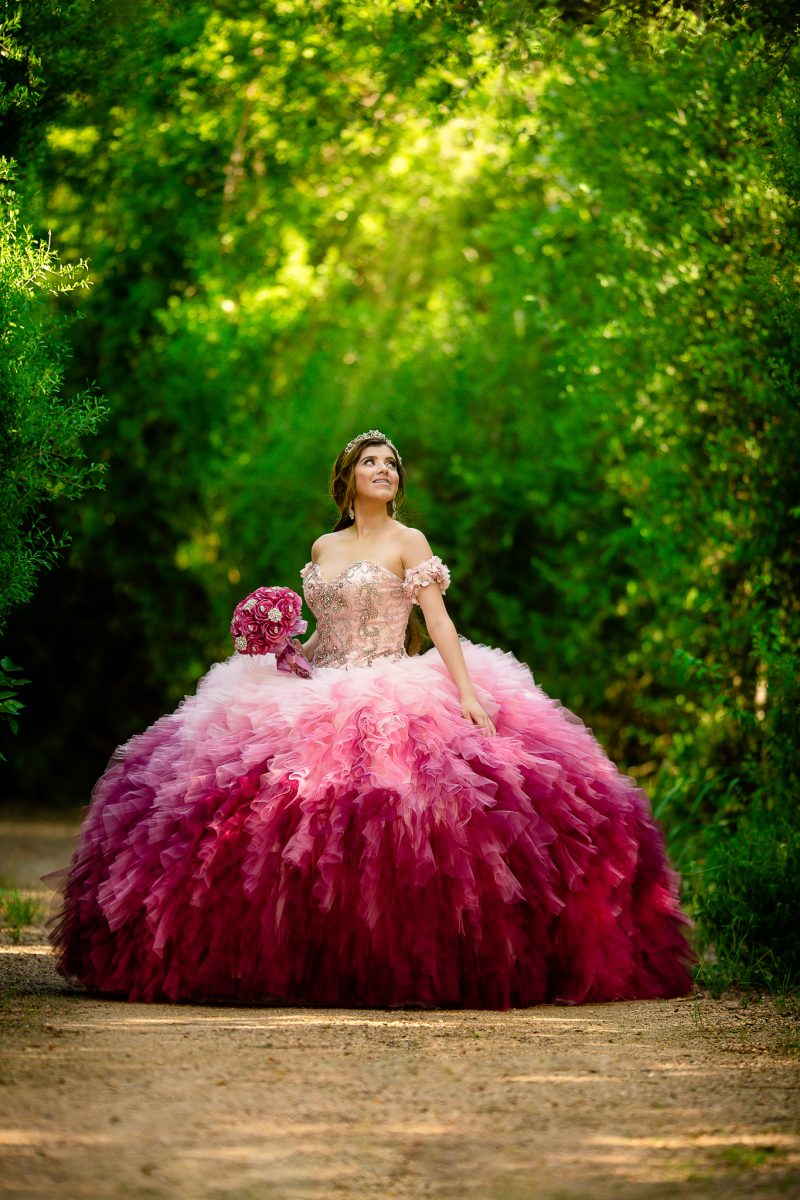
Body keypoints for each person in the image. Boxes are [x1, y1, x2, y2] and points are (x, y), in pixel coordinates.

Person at [43, 429, 693, 1008]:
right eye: (373, 462)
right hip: (324, 677)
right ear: (349, 475)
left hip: (393, 675)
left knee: (407, 814)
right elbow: (325, 633)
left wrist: (466, 689)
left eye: (392, 464)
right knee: (256, 805)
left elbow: (435, 620)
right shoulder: (323, 545)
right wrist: (284, 653)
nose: (386, 471)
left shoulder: (410, 540)